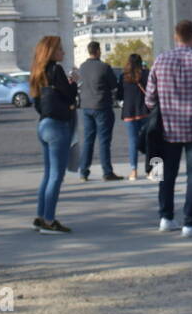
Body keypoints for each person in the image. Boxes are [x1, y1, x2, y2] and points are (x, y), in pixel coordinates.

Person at [145, 19, 192, 237]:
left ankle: (166, 218)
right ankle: (191, 223)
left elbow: (149, 98)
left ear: (175, 37)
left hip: (167, 128)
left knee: (166, 175)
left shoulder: (160, 60)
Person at [30, 35, 76, 233]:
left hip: (44, 125)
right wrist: (74, 82)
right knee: (57, 176)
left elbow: (38, 104)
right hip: (58, 126)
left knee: (48, 175)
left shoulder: (37, 72)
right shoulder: (56, 69)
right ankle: (49, 220)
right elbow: (69, 95)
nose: (63, 52)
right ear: (51, 52)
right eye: (60, 50)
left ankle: (41, 216)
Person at [76, 41, 122, 181]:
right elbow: (114, 85)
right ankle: (107, 172)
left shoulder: (82, 68)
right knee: (104, 141)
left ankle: (84, 172)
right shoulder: (104, 67)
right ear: (98, 51)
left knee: (88, 140)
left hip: (86, 107)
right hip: (102, 106)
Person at [117, 53, 150, 180]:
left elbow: (119, 96)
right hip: (144, 111)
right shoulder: (146, 74)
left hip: (129, 113)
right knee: (149, 141)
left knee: (133, 142)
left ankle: (134, 171)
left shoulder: (123, 76)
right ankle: (150, 171)